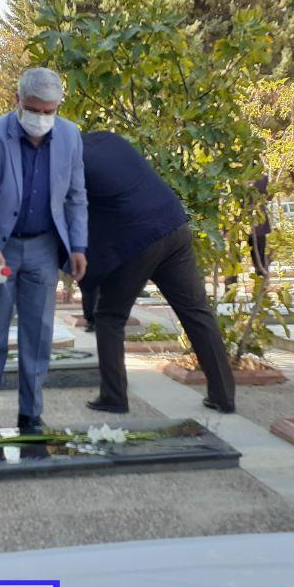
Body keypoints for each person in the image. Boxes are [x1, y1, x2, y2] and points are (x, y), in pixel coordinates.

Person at [80, 132, 236, 415]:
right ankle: (223, 396)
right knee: (196, 311)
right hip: (174, 226)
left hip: (138, 239)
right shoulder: (109, 140)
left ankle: (114, 397)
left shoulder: (70, 160)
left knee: (109, 316)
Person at [0, 67, 88, 432]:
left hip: (43, 251)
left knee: (38, 335)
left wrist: (78, 245)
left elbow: (76, 196)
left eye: (50, 111)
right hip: (0, 252)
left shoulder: (70, 136)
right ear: (17, 100)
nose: (42, 118)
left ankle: (31, 414)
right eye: (34, 109)